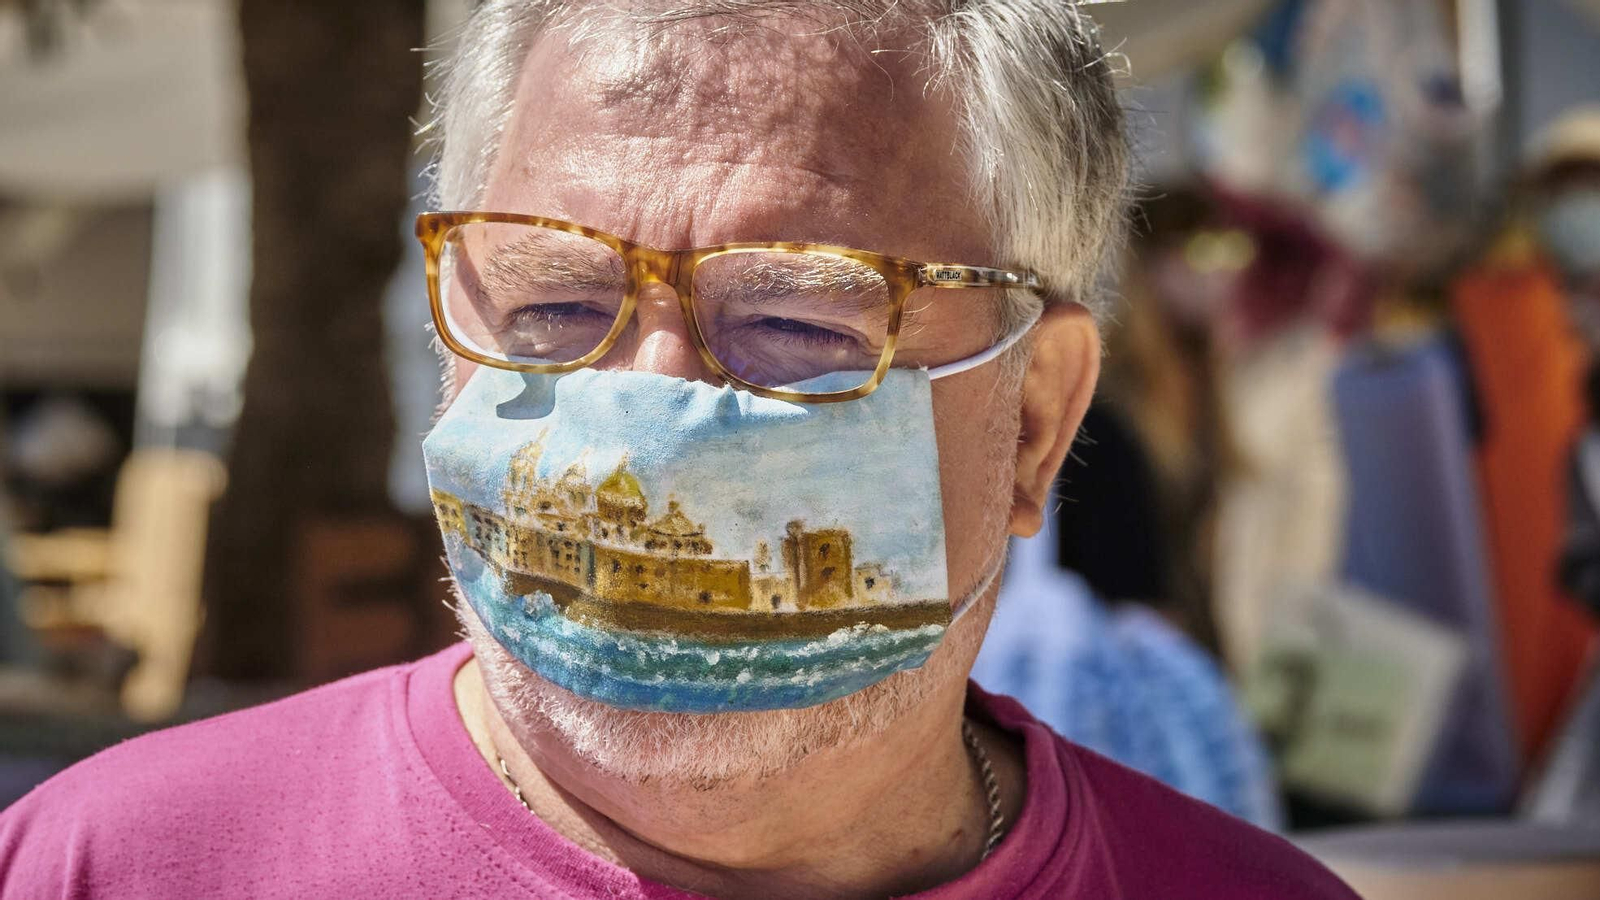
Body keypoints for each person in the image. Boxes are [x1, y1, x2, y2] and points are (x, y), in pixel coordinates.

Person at [0, 3, 1359, 897]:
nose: (642, 413)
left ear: (1039, 419)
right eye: (551, 304)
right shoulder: (114, 869)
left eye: (792, 316)